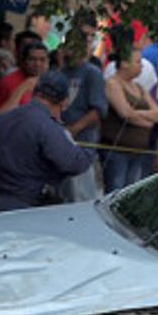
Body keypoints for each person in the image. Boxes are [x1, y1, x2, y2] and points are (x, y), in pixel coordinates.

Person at [0, 71, 96, 212]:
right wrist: (89, 154)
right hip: (30, 209)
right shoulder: (47, 127)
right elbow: (72, 163)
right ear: (64, 103)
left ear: (35, 93)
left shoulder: (5, 119)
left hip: (0, 204)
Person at [101, 44, 158, 189]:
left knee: (130, 192)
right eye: (137, 62)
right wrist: (147, 122)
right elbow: (125, 113)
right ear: (124, 63)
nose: (141, 66)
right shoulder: (113, 83)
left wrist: (138, 114)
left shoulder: (139, 88)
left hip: (138, 151)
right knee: (115, 192)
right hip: (118, 151)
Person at [58, 32, 108, 202]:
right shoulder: (61, 72)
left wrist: (73, 129)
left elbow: (98, 110)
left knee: (83, 194)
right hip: (60, 142)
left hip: (84, 142)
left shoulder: (92, 73)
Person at [0, 39, 48, 111]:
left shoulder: (48, 82)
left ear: (48, 62)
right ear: (23, 61)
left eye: (42, 60)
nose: (37, 64)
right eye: (32, 59)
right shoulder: (8, 83)